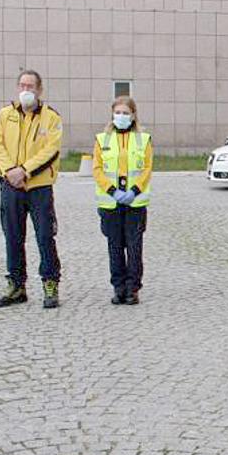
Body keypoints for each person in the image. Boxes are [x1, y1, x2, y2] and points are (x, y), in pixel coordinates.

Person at [0, 70, 63, 310]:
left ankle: (50, 283)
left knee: (45, 236)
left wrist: (25, 171)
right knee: (13, 235)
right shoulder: (5, 114)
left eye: (30, 86)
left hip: (39, 186)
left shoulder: (51, 117)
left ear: (39, 90)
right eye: (22, 85)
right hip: (10, 185)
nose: (26, 90)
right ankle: (16, 285)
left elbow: (50, 151)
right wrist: (10, 171)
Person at [92, 96, 152, 306]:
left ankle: (132, 289)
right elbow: (97, 169)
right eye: (118, 112)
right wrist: (112, 191)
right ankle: (118, 287)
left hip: (135, 203)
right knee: (115, 247)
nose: (121, 116)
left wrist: (134, 190)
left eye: (126, 113)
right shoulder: (102, 139)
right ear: (112, 114)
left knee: (134, 248)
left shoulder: (143, 139)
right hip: (111, 202)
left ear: (133, 115)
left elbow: (146, 168)